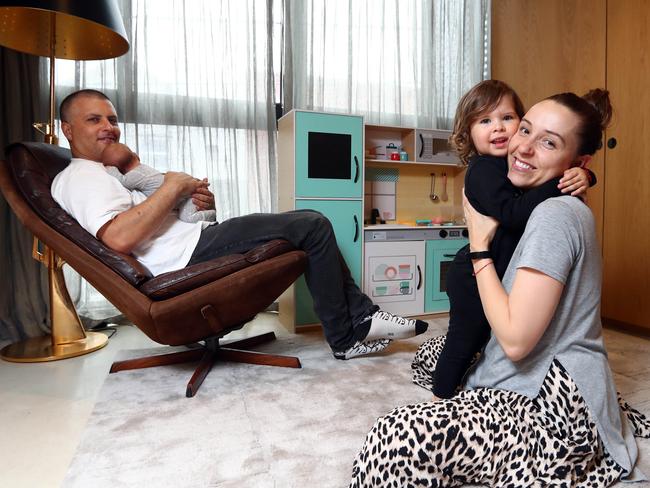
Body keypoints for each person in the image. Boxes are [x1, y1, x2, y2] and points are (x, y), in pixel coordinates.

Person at [350, 89, 649, 486]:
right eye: (526, 130)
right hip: (557, 365)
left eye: (547, 142)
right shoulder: (539, 196)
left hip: (551, 404)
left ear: (575, 164)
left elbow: (515, 343)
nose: (521, 146)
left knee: (393, 441)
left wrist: (477, 245)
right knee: (434, 354)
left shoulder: (554, 216)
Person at [52, 89, 428, 360]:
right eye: (94, 119)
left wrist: (138, 168)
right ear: (68, 129)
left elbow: (164, 213)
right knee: (313, 224)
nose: (109, 127)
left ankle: (360, 320)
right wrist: (173, 185)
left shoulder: (108, 175)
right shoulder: (81, 178)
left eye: (113, 120)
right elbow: (118, 237)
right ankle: (350, 332)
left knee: (309, 225)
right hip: (187, 257)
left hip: (193, 242)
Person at [429, 80, 594, 399]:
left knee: (488, 339)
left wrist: (584, 174)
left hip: (497, 269)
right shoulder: (483, 170)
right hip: (472, 277)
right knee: (465, 340)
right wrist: (563, 180)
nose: (498, 128)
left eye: (507, 118)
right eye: (484, 121)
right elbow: (513, 213)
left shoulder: (512, 165)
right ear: (468, 134)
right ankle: (442, 392)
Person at [101, 142, 217, 223]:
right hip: (184, 192)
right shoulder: (145, 169)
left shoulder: (134, 175)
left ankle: (211, 215)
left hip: (185, 198)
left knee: (188, 218)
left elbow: (121, 180)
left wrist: (107, 168)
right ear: (136, 156)